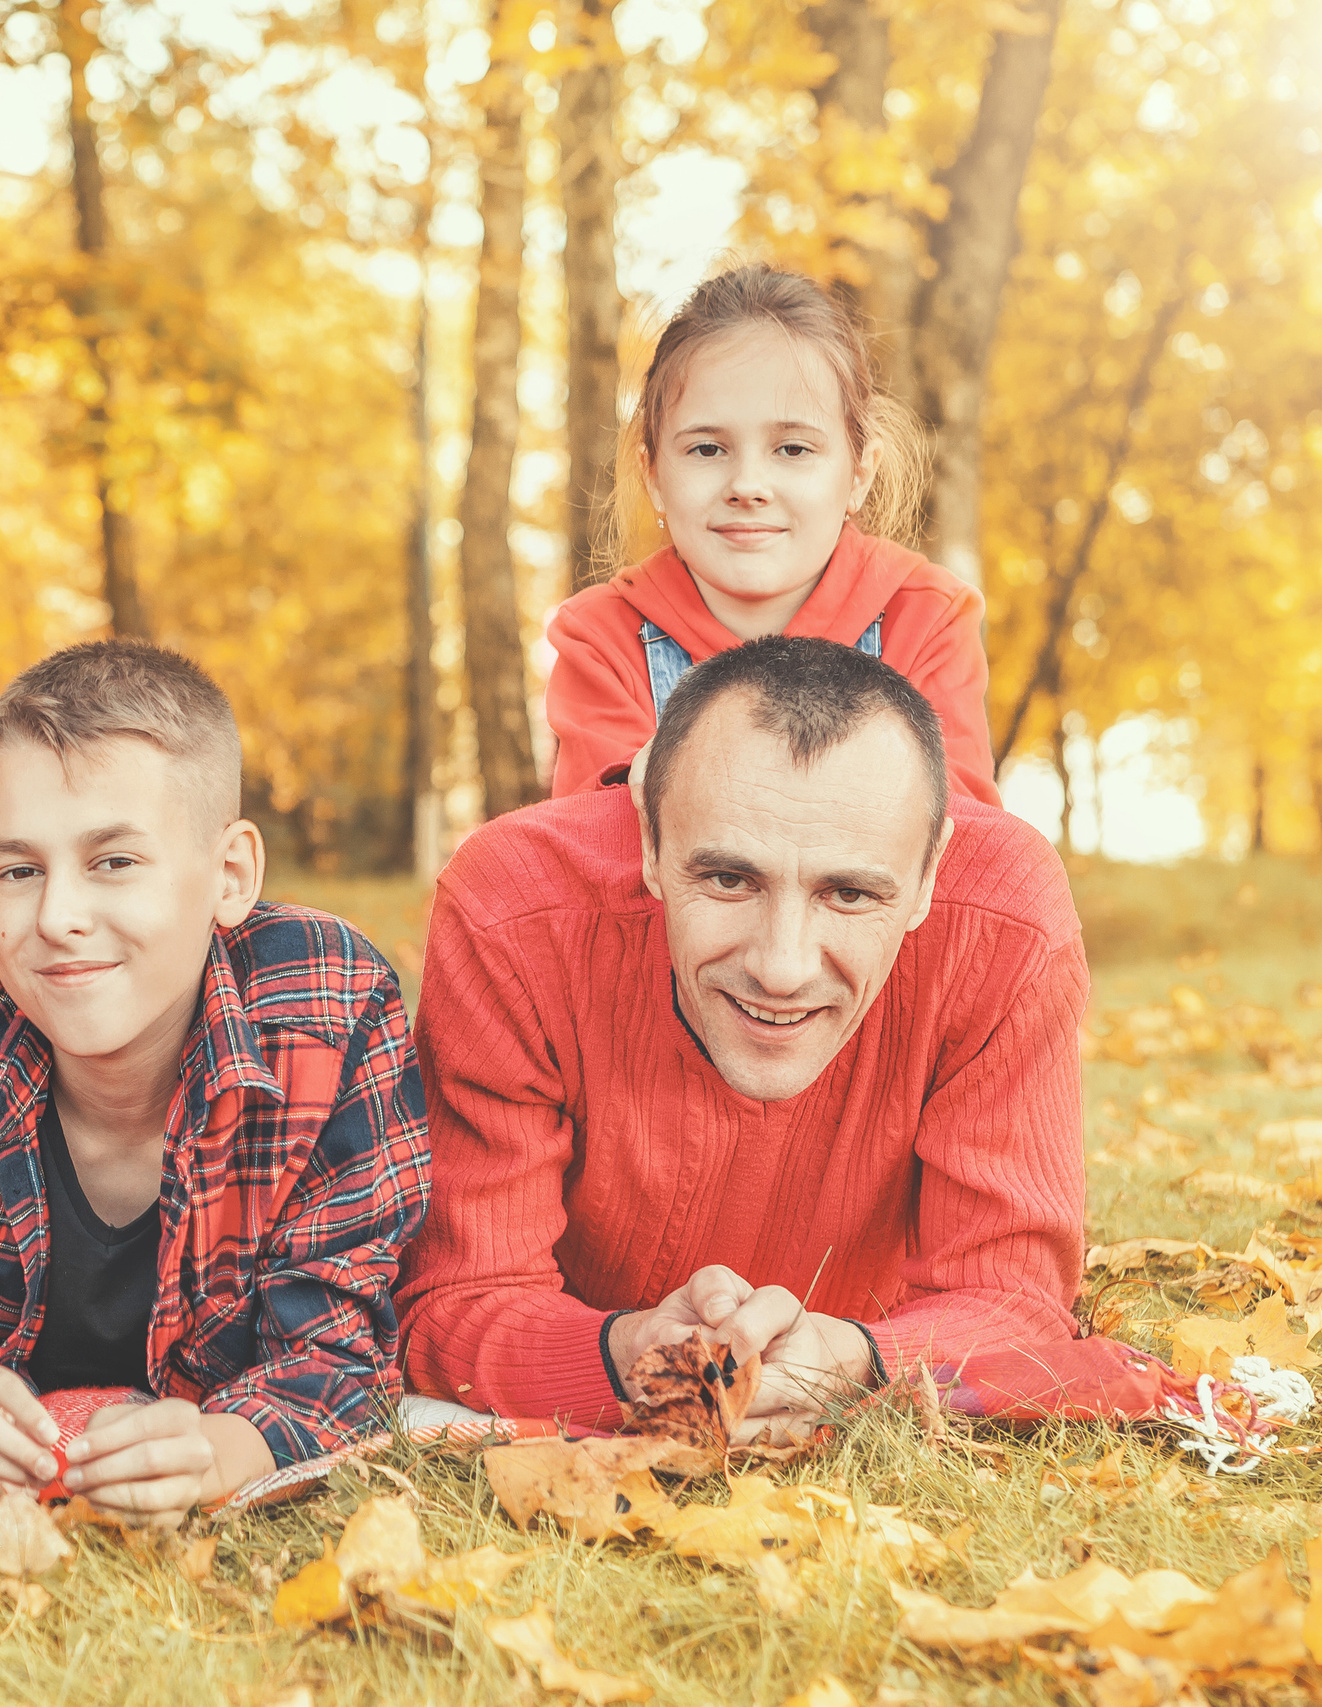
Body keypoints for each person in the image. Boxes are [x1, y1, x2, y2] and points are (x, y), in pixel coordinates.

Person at [0, 640, 430, 1520]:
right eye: (20, 870)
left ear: (231, 874)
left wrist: (215, 1456)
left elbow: (338, 1353)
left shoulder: (327, 1008)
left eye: (114, 861)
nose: (58, 917)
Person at [400, 635, 1084, 1437]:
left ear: (931, 872)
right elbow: (455, 1298)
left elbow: (1015, 1296)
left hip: (875, 1332)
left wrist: (854, 1359)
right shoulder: (515, 911)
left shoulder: (1005, 921)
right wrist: (628, 1351)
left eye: (850, 893)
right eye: (728, 878)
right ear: (651, 842)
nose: (782, 968)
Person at [545, 264, 999, 805]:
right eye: (707, 449)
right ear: (654, 476)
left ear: (859, 473)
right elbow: (589, 845)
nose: (748, 486)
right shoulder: (602, 641)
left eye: (793, 449)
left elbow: (967, 838)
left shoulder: (925, 622)